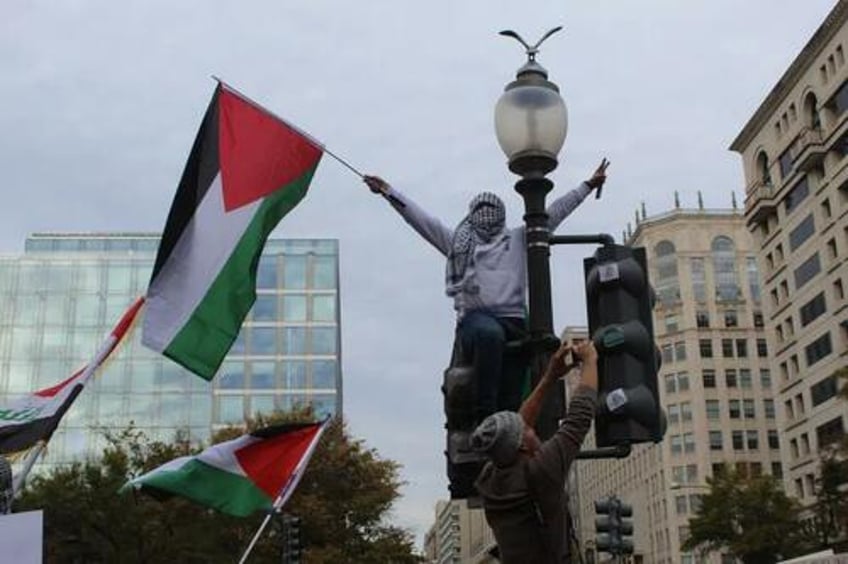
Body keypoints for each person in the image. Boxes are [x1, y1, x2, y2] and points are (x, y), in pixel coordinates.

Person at [363, 160, 608, 422]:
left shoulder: (518, 239)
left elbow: (556, 211)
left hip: (513, 323)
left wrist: (587, 185)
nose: (486, 220)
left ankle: (508, 427)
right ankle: (484, 416)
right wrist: (389, 192)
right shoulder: (459, 244)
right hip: (477, 324)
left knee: (513, 392)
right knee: (489, 335)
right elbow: (422, 221)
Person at [470, 339, 598, 564]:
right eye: (527, 430)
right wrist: (590, 360)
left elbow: (517, 428)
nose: (529, 426)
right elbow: (579, 417)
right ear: (521, 445)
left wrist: (550, 376)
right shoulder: (540, 471)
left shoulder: (490, 477)